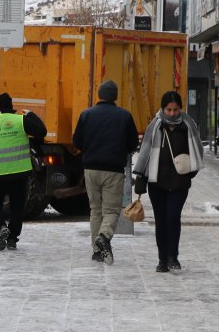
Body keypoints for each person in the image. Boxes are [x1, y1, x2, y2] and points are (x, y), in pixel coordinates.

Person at [132, 91, 204, 273]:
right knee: (161, 220)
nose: (172, 113)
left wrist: (191, 172)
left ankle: (173, 256)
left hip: (180, 182)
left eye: (176, 109)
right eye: (169, 109)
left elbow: (197, 149)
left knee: (173, 217)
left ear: (181, 108)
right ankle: (162, 259)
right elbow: (145, 152)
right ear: (163, 109)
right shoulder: (155, 126)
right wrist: (141, 176)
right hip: (157, 182)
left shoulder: (188, 125)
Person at [72, 80, 139, 265]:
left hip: (90, 169)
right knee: (111, 210)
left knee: (95, 210)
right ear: (115, 96)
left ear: (99, 95)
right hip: (113, 170)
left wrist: (90, 149)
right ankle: (104, 236)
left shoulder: (86, 115)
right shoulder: (124, 116)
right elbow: (133, 143)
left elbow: (76, 140)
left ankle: (96, 251)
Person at [0, 92, 47, 251]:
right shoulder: (21, 121)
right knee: (17, 207)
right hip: (20, 174)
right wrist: (31, 114)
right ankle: (12, 239)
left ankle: (1, 228)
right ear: (11, 107)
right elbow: (42, 131)